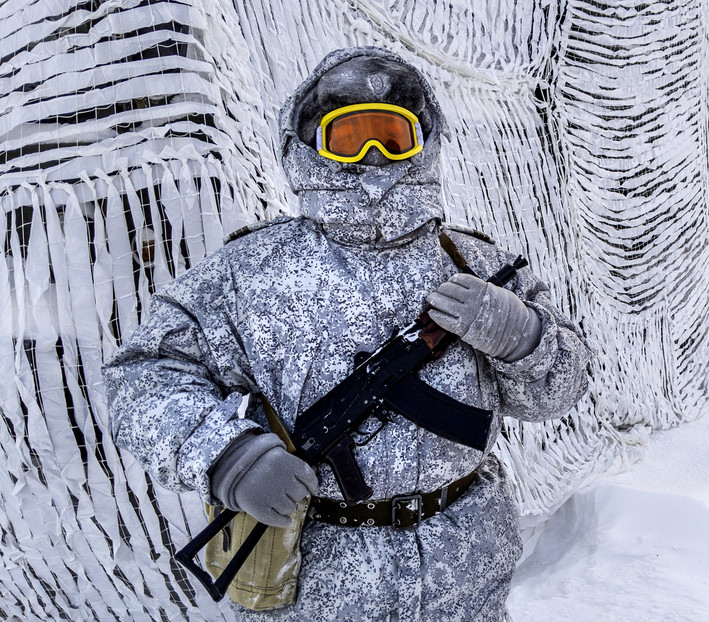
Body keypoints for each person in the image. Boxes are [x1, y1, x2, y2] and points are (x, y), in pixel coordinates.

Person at [105, 46, 590, 621]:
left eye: (392, 136)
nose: (373, 158)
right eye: (349, 137)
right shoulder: (249, 272)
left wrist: (525, 337)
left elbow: (560, 392)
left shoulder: (476, 263)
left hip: (468, 570)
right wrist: (231, 457)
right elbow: (141, 377)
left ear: (425, 144)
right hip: (319, 587)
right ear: (309, 148)